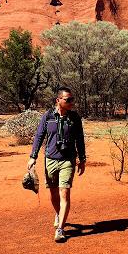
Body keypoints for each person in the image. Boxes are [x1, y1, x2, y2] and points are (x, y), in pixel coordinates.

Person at [27, 87, 86, 242]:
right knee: (53, 195)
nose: (71, 102)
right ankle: (59, 214)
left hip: (68, 160)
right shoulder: (47, 117)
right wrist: (33, 157)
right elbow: (39, 136)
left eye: (72, 99)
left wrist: (82, 159)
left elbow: (80, 139)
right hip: (51, 160)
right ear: (58, 100)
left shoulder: (75, 118)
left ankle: (60, 229)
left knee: (64, 193)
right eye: (68, 100)